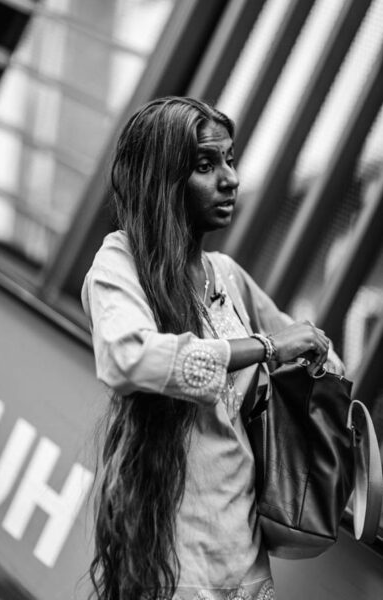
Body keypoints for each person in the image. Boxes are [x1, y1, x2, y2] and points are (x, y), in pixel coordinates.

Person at [81, 96, 342, 600]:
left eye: (230, 159)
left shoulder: (228, 276)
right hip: (172, 555)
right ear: (162, 178)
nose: (231, 178)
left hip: (244, 551)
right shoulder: (120, 262)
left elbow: (322, 358)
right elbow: (128, 356)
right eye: (205, 165)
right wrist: (265, 347)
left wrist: (310, 358)